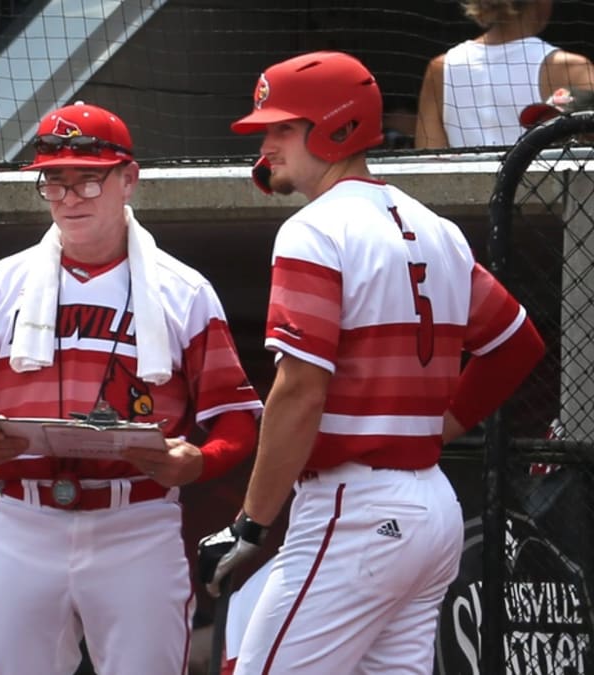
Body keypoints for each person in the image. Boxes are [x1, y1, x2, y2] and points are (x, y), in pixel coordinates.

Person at [199, 51, 547, 674]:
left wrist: (252, 523)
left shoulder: (314, 229)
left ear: (335, 127)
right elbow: (516, 343)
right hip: (430, 509)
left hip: (354, 509)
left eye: (282, 127)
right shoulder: (436, 226)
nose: (267, 142)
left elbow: (299, 391)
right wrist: (441, 426)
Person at [0, 101, 263, 675]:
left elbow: (237, 418)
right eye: (54, 183)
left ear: (128, 179)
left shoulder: (184, 290)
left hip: (135, 519)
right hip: (24, 519)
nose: (68, 198)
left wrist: (199, 463)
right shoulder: (3, 281)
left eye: (88, 180)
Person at [415, 0, 594, 149]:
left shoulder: (440, 68)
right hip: (539, 190)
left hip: (459, 191)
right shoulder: (572, 69)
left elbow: (428, 161)